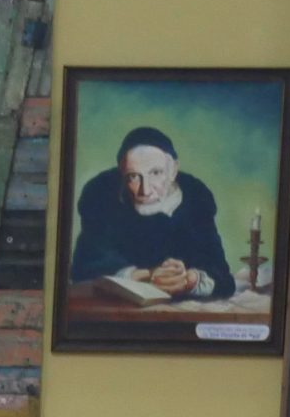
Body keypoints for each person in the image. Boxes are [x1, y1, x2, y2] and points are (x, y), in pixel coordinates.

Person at [68, 126, 235, 302]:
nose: (145, 191)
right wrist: (145, 275)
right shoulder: (101, 194)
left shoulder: (196, 199)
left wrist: (190, 280)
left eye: (156, 173)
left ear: (173, 170)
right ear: (122, 172)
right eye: (133, 176)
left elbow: (221, 275)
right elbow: (85, 268)